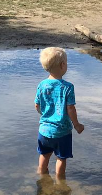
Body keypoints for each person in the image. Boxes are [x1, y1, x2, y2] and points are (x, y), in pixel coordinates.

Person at [35, 47, 84, 179]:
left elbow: (37, 105)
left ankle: (41, 175)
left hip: (44, 130)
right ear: (63, 65)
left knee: (44, 154)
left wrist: (45, 114)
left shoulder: (42, 85)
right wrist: (77, 125)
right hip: (62, 132)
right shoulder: (68, 87)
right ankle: (60, 181)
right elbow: (71, 109)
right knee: (61, 158)